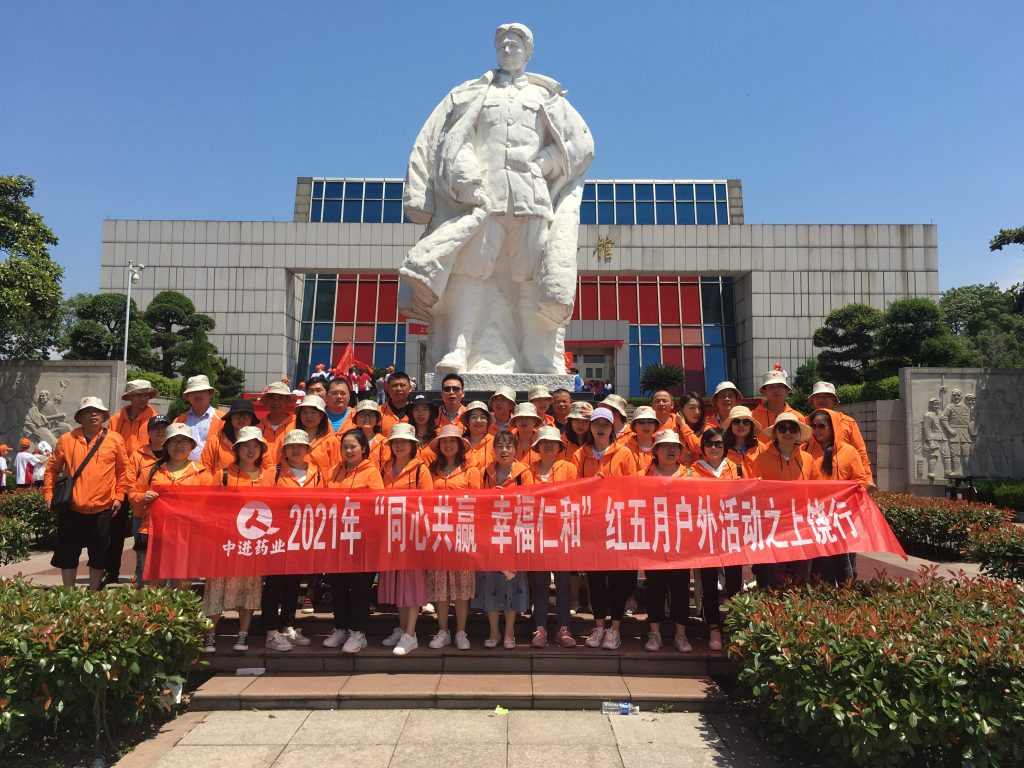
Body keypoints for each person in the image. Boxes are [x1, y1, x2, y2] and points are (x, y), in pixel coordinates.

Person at [399, 22, 593, 375]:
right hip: (484, 199)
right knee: (470, 272)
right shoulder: (472, 93)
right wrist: (467, 181)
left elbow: (580, 145)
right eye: (501, 44)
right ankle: (459, 346)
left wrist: (546, 161)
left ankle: (535, 353)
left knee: (530, 275)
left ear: (528, 52)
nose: (507, 50)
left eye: (514, 44)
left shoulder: (546, 97)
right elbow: (451, 140)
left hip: (530, 197)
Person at [43, 397, 128, 591]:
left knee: (99, 555)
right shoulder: (66, 440)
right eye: (88, 411)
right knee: (68, 554)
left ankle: (93, 593)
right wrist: (48, 495)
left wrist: (119, 496)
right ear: (79, 417)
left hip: (103, 507)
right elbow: (52, 470)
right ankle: (69, 595)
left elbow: (122, 471)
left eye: (98, 411)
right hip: (71, 507)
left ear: (104, 416)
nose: (93, 414)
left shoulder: (115, 439)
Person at [575, 407, 638, 650]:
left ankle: (615, 629)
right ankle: (599, 626)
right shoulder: (581, 454)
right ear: (590, 427)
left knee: (618, 580)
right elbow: (574, 487)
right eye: (596, 424)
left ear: (612, 427)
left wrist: (609, 485)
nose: (600, 428)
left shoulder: (624, 453)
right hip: (592, 526)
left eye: (605, 424)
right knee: (596, 580)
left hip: (617, 524)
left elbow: (632, 487)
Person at [205, 425, 268, 652]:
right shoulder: (223, 474)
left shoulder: (268, 477)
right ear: (237, 449)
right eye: (246, 446)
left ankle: (243, 635)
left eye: (255, 446)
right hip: (225, 542)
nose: (251, 450)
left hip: (254, 542)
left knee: (250, 588)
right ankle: (209, 635)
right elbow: (208, 506)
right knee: (216, 587)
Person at [684, 428, 746, 652]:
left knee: (734, 582)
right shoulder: (692, 471)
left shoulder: (737, 468)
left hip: (731, 534)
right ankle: (713, 627)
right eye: (709, 444)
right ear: (702, 448)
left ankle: (736, 624)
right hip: (705, 534)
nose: (714, 448)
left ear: (725, 446)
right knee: (708, 582)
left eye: (718, 444)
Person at [260, 429, 321, 652]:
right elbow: (263, 503)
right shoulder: (273, 472)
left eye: (300, 446)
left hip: (302, 538)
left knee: (294, 584)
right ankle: (270, 632)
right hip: (277, 537)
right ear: (284, 449)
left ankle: (287, 626)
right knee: (274, 585)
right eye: (291, 446)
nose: (296, 450)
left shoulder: (317, 473)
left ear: (307, 449)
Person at [325, 428, 384, 653]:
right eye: (345, 447)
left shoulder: (371, 472)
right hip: (338, 537)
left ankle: (359, 633)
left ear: (364, 448)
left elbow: (377, 504)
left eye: (353, 447)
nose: (348, 451)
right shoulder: (334, 471)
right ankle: (341, 627)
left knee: (360, 587)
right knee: (338, 585)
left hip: (362, 539)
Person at [131, 423, 209, 587]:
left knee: (181, 581)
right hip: (155, 532)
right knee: (154, 582)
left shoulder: (202, 473)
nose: (179, 446)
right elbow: (133, 495)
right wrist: (143, 497)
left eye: (184, 441)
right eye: (174, 441)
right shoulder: (152, 470)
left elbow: (209, 505)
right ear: (166, 445)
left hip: (186, 535)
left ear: (192, 445)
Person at [378, 423, 433, 656]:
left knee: (412, 583)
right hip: (391, 534)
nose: (399, 445)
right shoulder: (385, 467)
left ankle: (411, 634)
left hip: (412, 535)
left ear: (412, 445)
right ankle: (402, 628)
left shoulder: (421, 469)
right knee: (398, 584)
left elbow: (427, 504)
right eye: (395, 442)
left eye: (404, 442)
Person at [474, 430, 532, 648]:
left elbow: (530, 503)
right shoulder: (484, 472)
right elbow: (475, 502)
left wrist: (508, 498)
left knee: (512, 585)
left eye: (508, 446)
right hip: (489, 537)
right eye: (500, 446)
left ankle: (509, 631)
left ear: (516, 449)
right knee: (490, 584)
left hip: (514, 537)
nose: (504, 450)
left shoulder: (523, 473)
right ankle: (494, 630)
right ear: (493, 450)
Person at [426, 425, 482, 650]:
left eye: (452, 441)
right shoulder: (432, 469)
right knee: (441, 585)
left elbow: (477, 502)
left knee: (462, 585)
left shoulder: (470, 470)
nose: (448, 444)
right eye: (444, 441)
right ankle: (442, 630)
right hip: (438, 534)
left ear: (460, 445)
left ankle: (460, 631)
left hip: (462, 534)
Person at [751, 412, 819, 588]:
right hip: (774, 526)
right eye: (782, 428)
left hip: (801, 524)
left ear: (798, 433)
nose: (787, 432)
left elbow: (818, 489)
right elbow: (755, 491)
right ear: (776, 433)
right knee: (775, 574)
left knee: (801, 574)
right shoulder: (762, 459)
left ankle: (799, 604)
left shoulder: (808, 459)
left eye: (792, 429)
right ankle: (775, 605)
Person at [643, 430, 694, 652]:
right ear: (656, 451)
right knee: (654, 588)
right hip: (653, 541)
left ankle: (680, 635)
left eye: (675, 446)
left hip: (681, 543)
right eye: (665, 446)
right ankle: (654, 633)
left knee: (681, 589)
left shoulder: (691, 476)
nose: (671, 450)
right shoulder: (643, 476)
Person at [807, 408, 870, 585]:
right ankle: (824, 595)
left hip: (842, 515)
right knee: (820, 561)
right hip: (817, 516)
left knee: (843, 559)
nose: (817, 430)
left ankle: (846, 595)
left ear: (833, 426)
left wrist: (845, 499)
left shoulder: (849, 452)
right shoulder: (806, 451)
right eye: (814, 426)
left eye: (822, 426)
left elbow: (860, 481)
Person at [528, 426, 578, 648]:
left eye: (552, 442)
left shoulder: (569, 468)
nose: (548, 445)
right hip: (537, 533)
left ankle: (563, 628)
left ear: (560, 446)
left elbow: (576, 496)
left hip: (562, 532)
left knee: (563, 583)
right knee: (540, 583)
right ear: (537, 446)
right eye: (543, 442)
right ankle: (539, 628)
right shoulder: (528, 470)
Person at [126, 414, 170, 586]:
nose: (160, 431)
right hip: (143, 518)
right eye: (156, 428)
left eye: (164, 427)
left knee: (167, 562)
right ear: (148, 432)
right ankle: (143, 599)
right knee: (142, 564)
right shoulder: (138, 456)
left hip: (170, 519)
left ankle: (167, 599)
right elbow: (130, 489)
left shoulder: (176, 454)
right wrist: (142, 497)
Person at [806, 381, 874, 488]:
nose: (822, 400)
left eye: (827, 396)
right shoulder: (804, 423)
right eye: (818, 396)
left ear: (834, 401)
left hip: (842, 477)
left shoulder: (848, 422)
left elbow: (860, 452)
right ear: (812, 401)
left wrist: (868, 478)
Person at [173, 375, 223, 461]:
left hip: (213, 468)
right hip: (185, 468)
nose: (198, 395)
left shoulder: (223, 419)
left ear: (210, 393)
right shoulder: (178, 421)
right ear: (187, 396)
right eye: (193, 392)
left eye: (202, 391)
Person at [751, 367, 803, 445]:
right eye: (771, 387)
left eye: (780, 386)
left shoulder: (798, 417)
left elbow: (802, 447)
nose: (776, 390)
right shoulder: (752, 417)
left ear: (786, 390)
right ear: (763, 391)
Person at [292, 394, 340, 471]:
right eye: (305, 412)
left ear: (322, 415)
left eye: (313, 412)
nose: (309, 416)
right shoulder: (291, 438)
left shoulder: (331, 441)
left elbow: (336, 469)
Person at [259, 381, 295, 464]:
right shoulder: (258, 427)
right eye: (272, 398)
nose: (276, 402)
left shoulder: (297, 425)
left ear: (287, 400)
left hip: (287, 472)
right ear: (266, 401)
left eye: (280, 398)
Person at [722, 405, 762, 478]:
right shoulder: (721, 448)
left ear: (751, 425)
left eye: (746, 421)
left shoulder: (761, 448)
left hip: (757, 485)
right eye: (736, 421)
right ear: (730, 425)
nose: (741, 425)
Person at [352, 399, 389, 468]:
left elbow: (386, 469)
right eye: (362, 414)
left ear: (377, 419)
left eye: (371, 415)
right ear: (356, 418)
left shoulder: (384, 443)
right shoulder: (350, 440)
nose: (367, 418)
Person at [460, 400, 495, 469]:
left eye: (483, 417)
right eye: (474, 417)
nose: (478, 420)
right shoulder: (460, 444)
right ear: (467, 422)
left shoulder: (495, 442)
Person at [626, 405, 660, 473]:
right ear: (634, 426)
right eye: (641, 422)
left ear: (655, 425)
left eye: (650, 421)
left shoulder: (662, 447)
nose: (646, 425)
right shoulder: (624, 447)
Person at [675, 391, 707, 463]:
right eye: (692, 408)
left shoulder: (707, 427)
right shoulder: (673, 428)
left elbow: (698, 447)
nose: (697, 412)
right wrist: (680, 458)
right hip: (679, 469)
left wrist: (683, 425)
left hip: (700, 469)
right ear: (681, 409)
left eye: (699, 408)